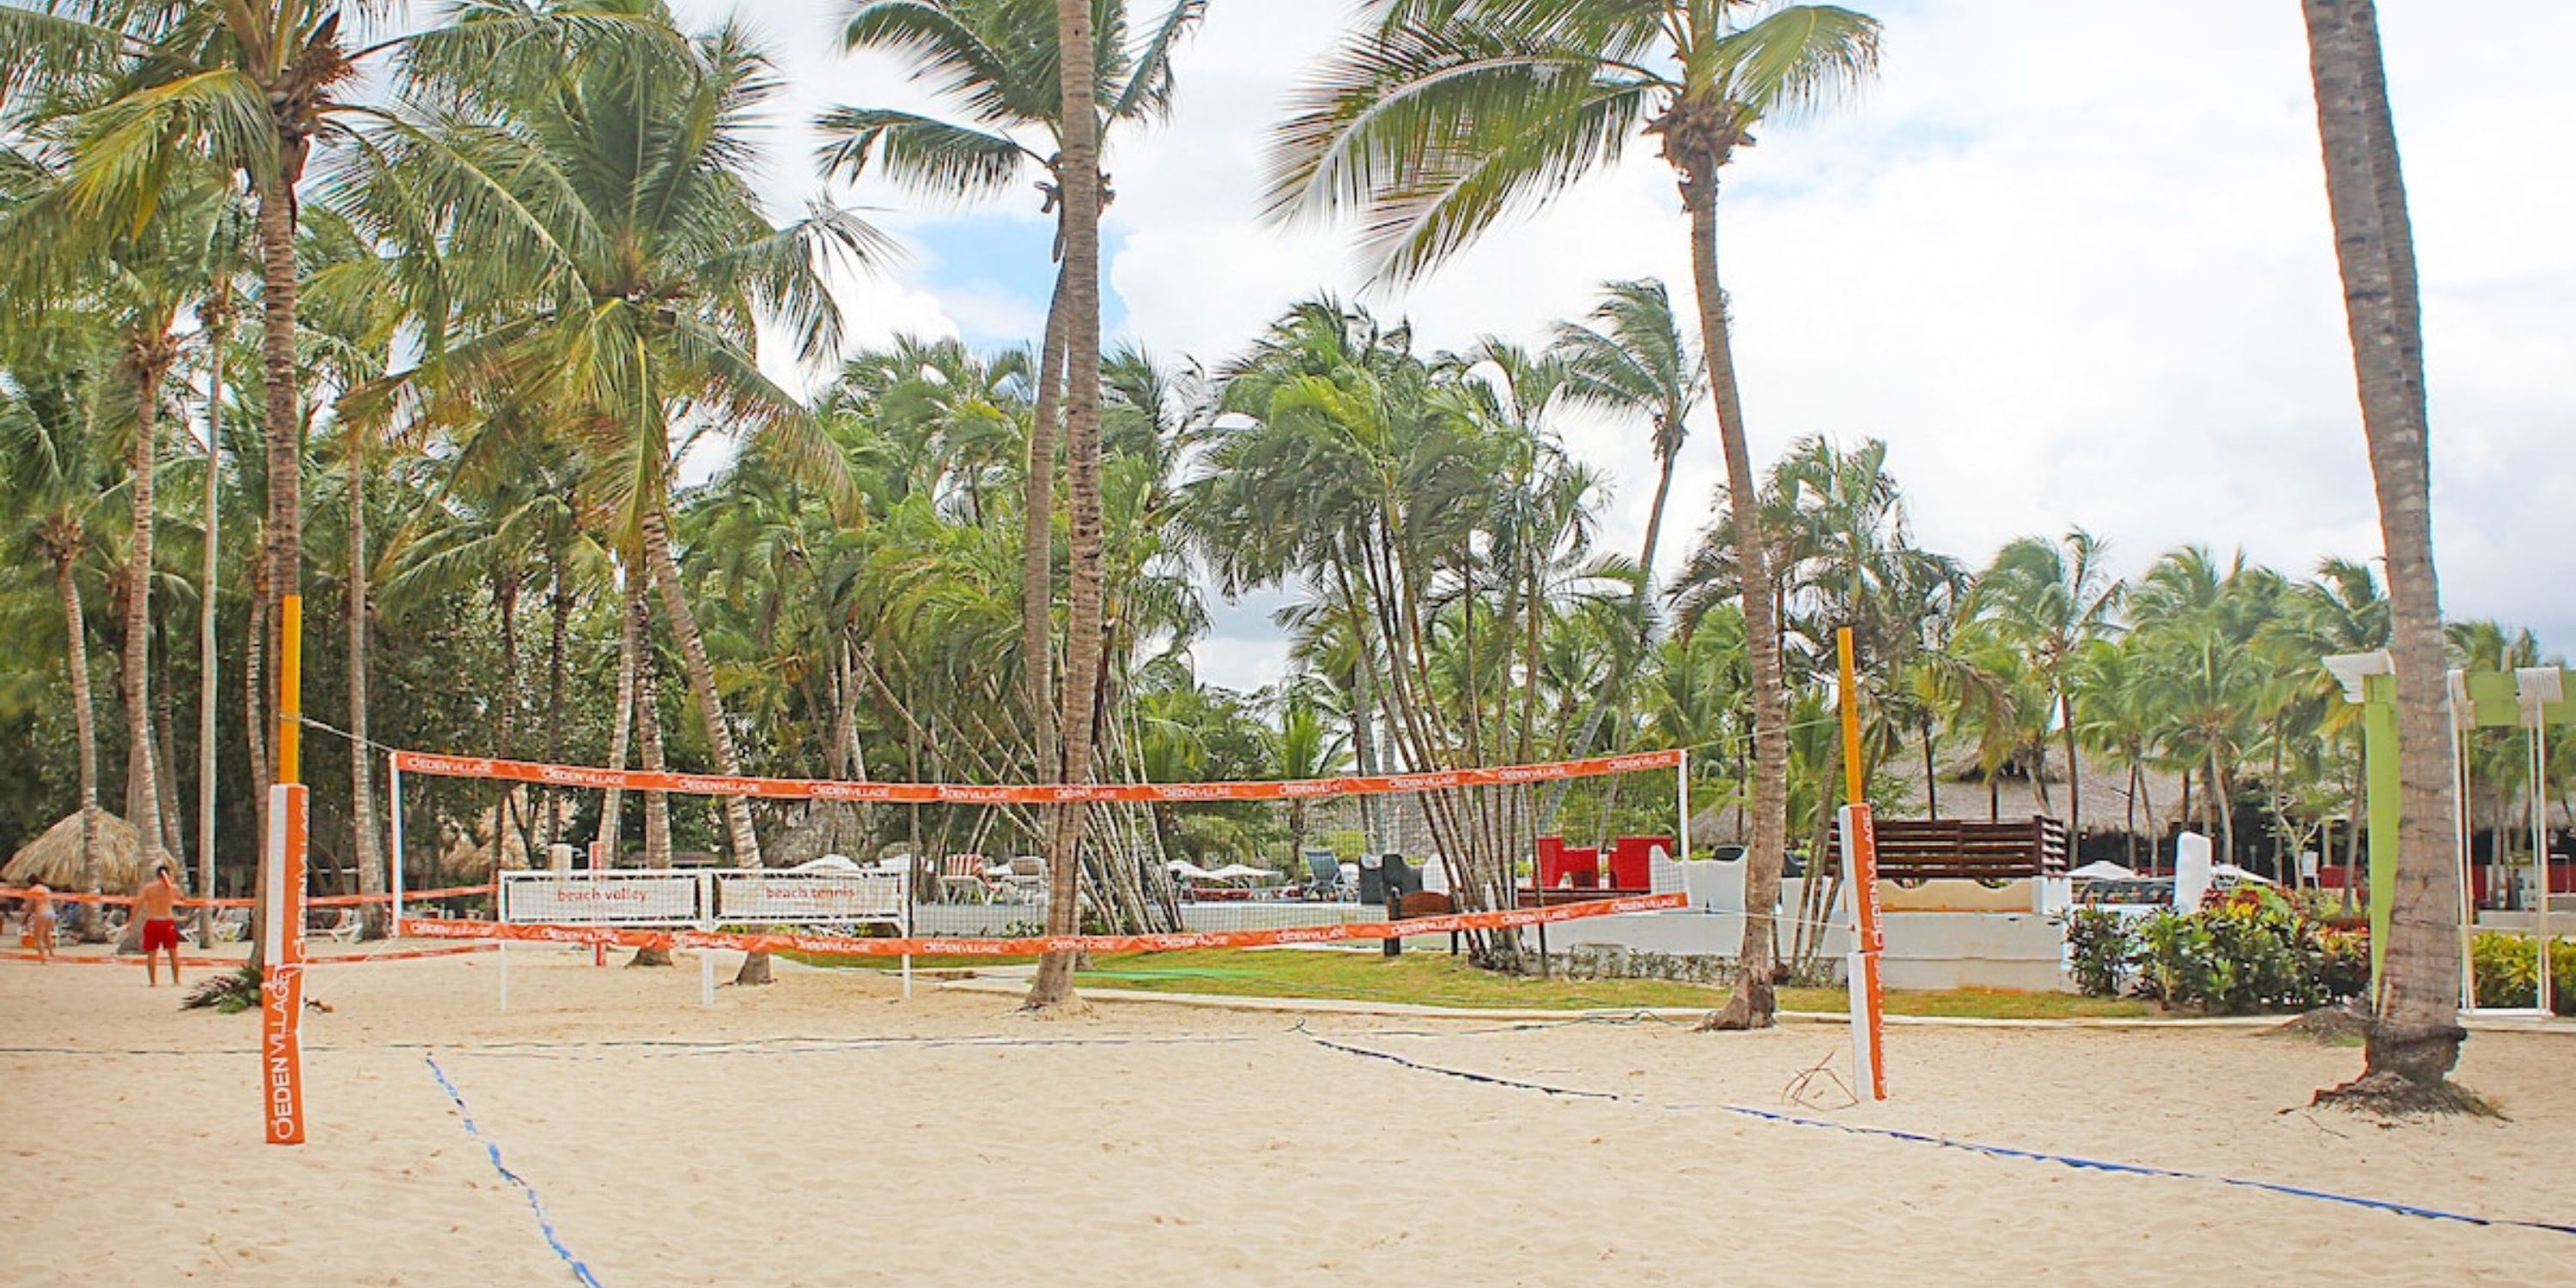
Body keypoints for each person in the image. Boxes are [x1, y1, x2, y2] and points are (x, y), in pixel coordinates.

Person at [136, 865, 181, 987]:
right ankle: (176, 980)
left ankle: (153, 981)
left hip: (153, 921)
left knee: (152, 953)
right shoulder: (172, 888)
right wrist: (170, 884)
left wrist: (131, 920)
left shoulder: (149, 888)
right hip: (167, 921)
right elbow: (182, 898)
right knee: (173, 953)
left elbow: (138, 905)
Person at [21, 884, 55, 963]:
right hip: (51, 912)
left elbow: (28, 907)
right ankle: (51, 954)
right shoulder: (46, 889)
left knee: (38, 938)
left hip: (41, 912)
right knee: (48, 934)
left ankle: (43, 958)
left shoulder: (32, 890)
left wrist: (24, 917)